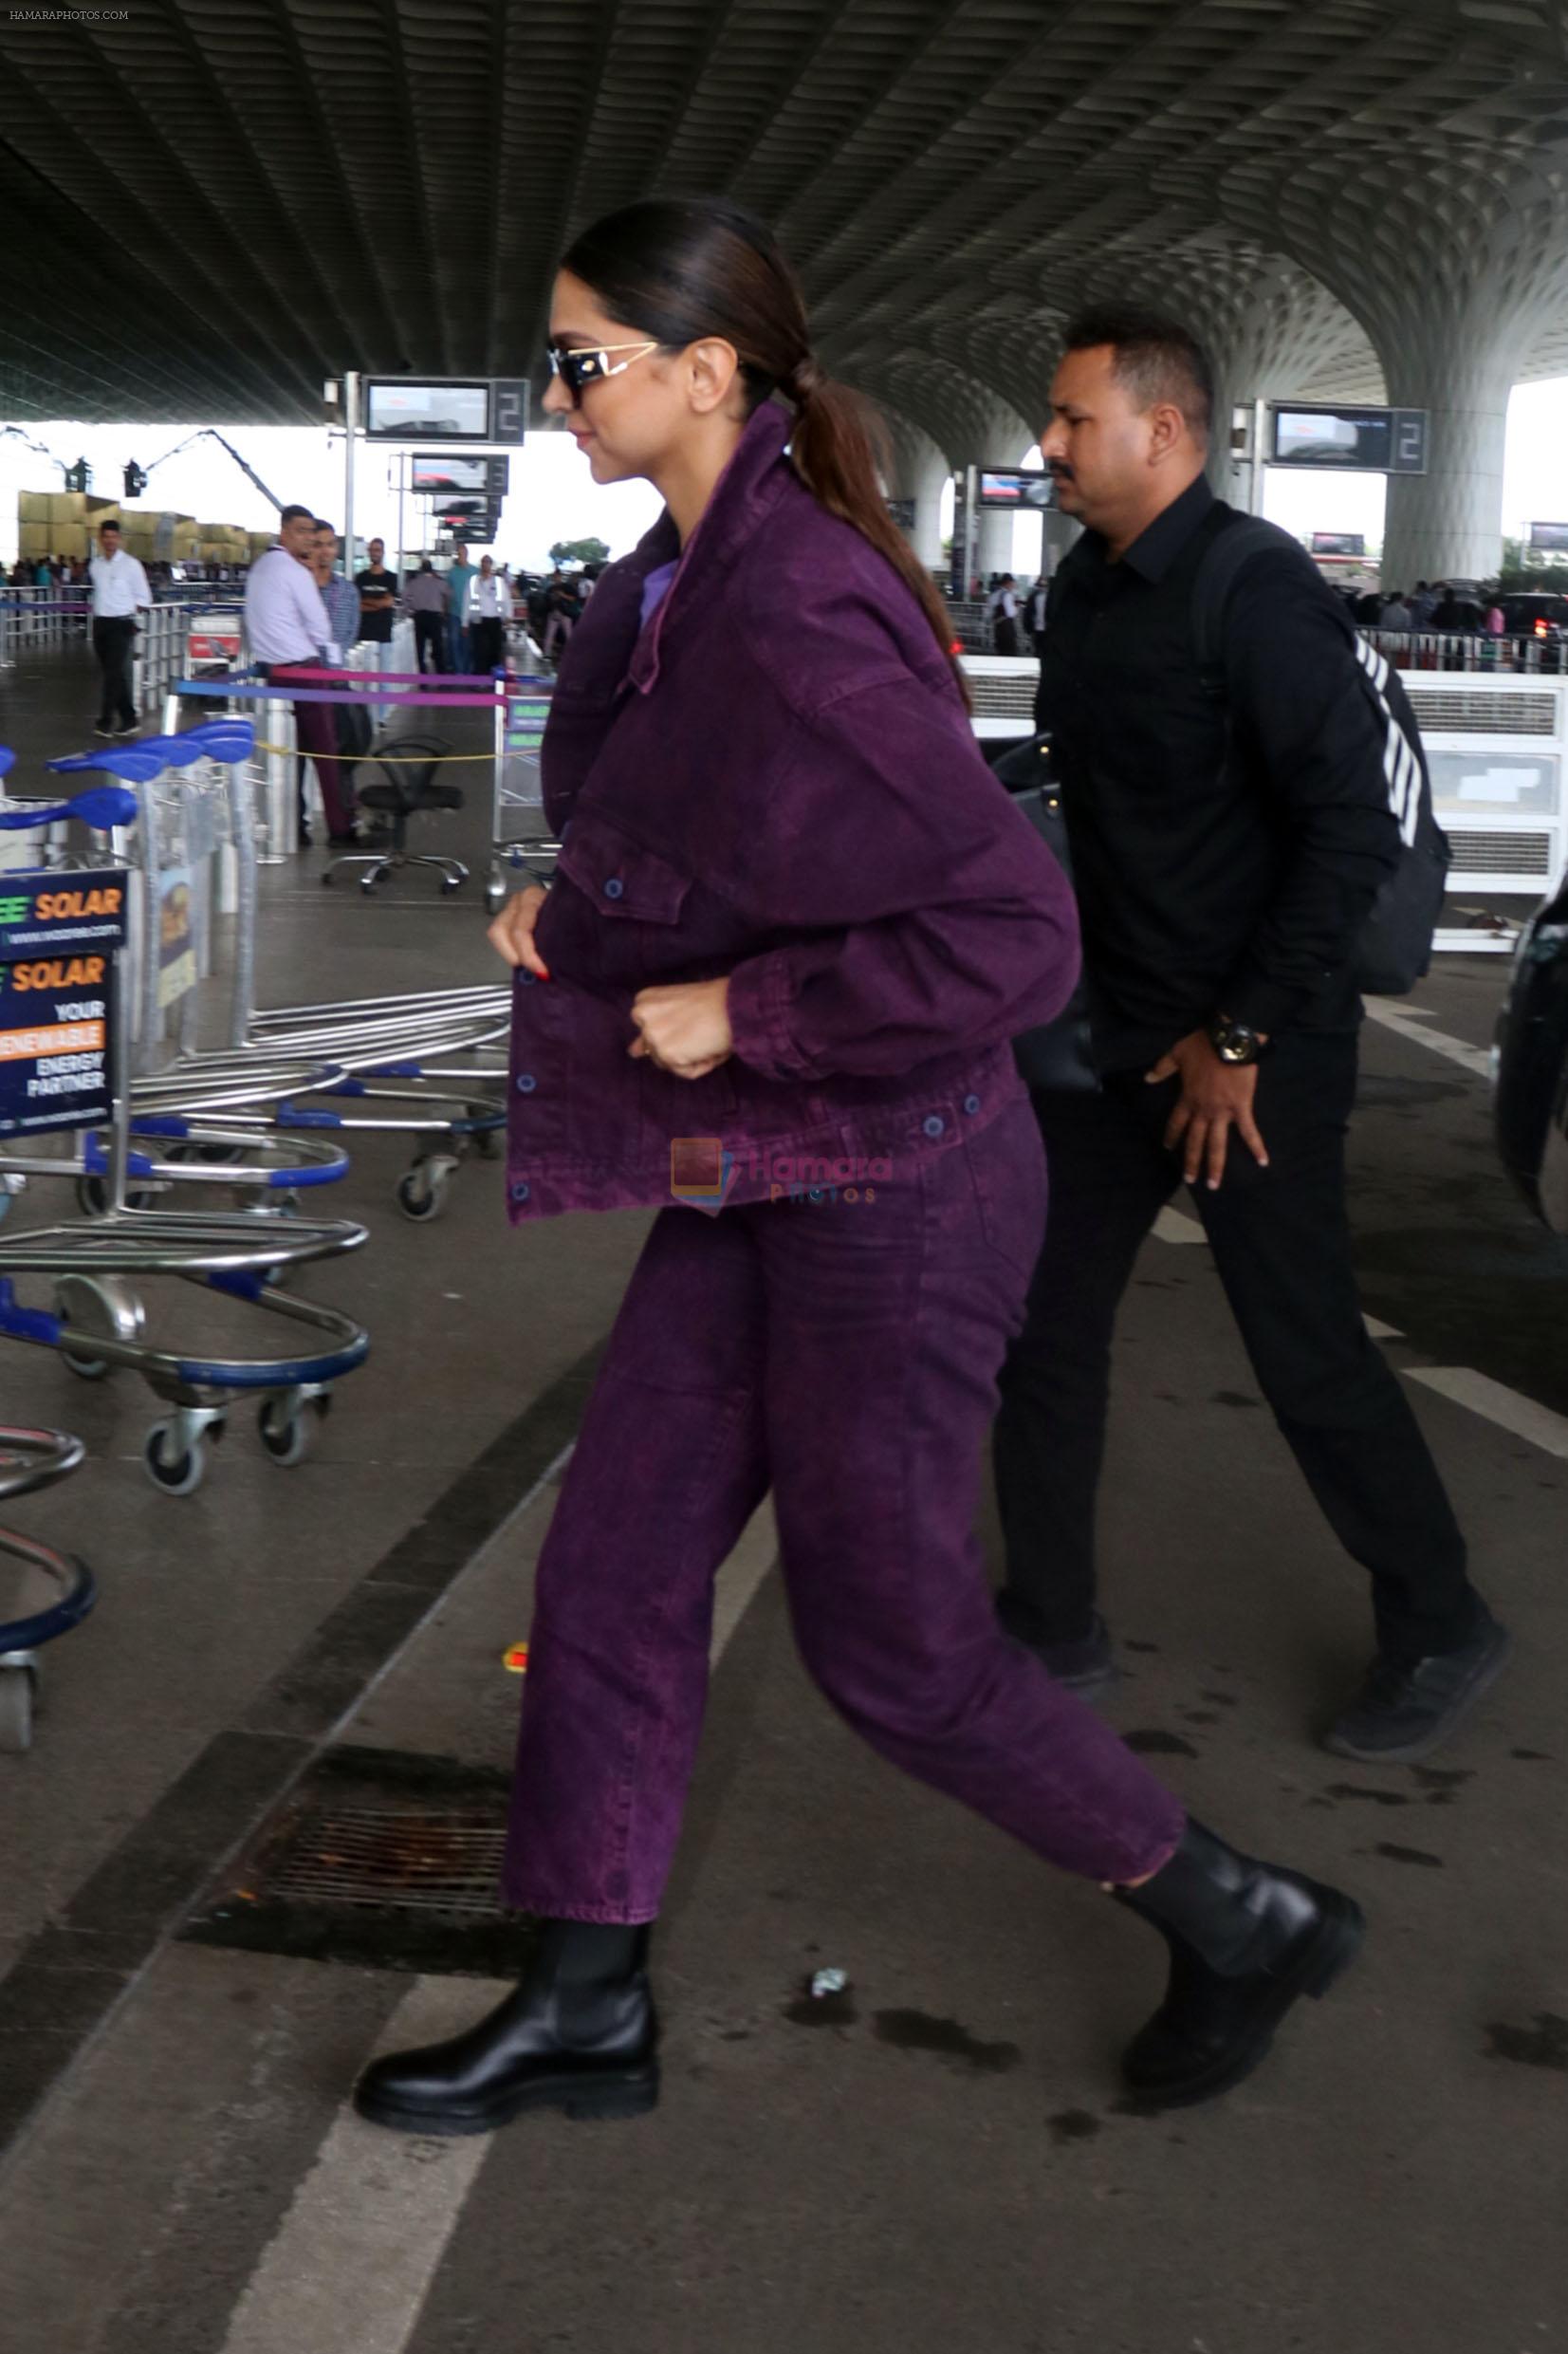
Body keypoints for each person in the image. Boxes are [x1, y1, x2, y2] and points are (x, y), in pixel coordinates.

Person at [354, 197, 1365, 2146]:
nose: (553, 391)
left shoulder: (793, 597)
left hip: (889, 1184)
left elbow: (1011, 937)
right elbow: (739, 847)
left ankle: (1235, 1914)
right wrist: (588, 913)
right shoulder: (678, 581)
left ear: (706, 369)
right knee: (613, 1568)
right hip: (769, 1170)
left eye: (581, 358)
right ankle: (580, 2001)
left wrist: (747, 1013)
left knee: (889, 1643)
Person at [991, 306, 1506, 1767]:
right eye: (1050, 417)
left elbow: (1346, 833)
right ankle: (1049, 1618)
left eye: (1073, 420)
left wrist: (1241, 1033)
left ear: (1166, 430)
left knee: (1304, 1350)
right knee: (1041, 1323)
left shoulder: (1256, 590)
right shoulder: (1087, 595)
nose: (1048, 445)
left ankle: (1438, 1615)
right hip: (1116, 1040)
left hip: (1256, 1050)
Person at [243, 503, 357, 843]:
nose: (308, 539)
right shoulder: (295, 572)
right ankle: (340, 827)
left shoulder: (260, 568)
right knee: (325, 753)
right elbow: (320, 627)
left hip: (272, 673)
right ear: (285, 532)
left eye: (312, 532)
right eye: (302, 532)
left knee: (287, 754)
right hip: (306, 672)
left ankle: (293, 824)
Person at [87, 518, 152, 737]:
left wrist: (128, 614)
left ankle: (104, 722)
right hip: (100, 624)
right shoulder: (95, 565)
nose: (110, 541)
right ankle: (130, 719)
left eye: (114, 537)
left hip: (121, 624)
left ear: (119, 539)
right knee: (113, 675)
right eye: (106, 537)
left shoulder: (131, 565)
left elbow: (145, 598)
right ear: (100, 539)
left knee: (112, 675)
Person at [312, 520, 362, 661]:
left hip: (335, 672)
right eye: (318, 545)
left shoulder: (348, 591)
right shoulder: (298, 587)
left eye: (330, 545)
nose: (325, 551)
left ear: (336, 548)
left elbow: (351, 632)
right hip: (302, 672)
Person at [402, 558, 450, 672]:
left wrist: (409, 609)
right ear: (432, 569)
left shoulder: (413, 582)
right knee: (438, 647)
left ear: (421, 569)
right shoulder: (439, 582)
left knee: (420, 649)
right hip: (435, 617)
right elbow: (448, 595)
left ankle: (423, 678)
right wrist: (444, 609)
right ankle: (441, 675)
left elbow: (405, 597)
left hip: (420, 617)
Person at [465, 551, 507, 671]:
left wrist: (507, 616)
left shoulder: (499, 582)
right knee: (479, 650)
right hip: (478, 620)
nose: (485, 565)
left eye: (488, 562)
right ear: (481, 564)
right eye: (483, 562)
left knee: (494, 650)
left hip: (494, 620)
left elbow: (506, 600)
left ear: (491, 565)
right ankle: (479, 680)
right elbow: (466, 602)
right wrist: (465, 622)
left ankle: (493, 678)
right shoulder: (473, 582)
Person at [354, 537, 398, 644]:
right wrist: (380, 604)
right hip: (363, 636)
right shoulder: (361, 577)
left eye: (377, 550)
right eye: (372, 550)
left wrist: (366, 600)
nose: (374, 553)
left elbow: (389, 602)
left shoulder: (391, 577)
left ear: (383, 552)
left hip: (384, 636)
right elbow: (356, 605)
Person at [446, 541, 477, 669]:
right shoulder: (452, 572)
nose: (460, 556)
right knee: (454, 641)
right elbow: (448, 592)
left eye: (462, 553)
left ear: (467, 554)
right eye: (459, 554)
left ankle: (466, 669)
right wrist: (446, 609)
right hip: (454, 612)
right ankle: (459, 669)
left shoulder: (475, 571)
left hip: (470, 614)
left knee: (467, 643)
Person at [987, 571, 1021, 655]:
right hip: (1007, 627)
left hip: (997, 627)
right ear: (1008, 583)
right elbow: (1010, 613)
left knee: (1000, 651)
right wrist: (1016, 607)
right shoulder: (1008, 595)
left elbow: (988, 612)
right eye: (1012, 583)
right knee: (1010, 652)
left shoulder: (993, 595)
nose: (1013, 585)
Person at [1025, 572, 1050, 657]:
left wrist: (1028, 628)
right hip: (1042, 628)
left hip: (1038, 628)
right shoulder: (1051, 597)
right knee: (1044, 651)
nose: (1042, 588)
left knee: (1039, 651)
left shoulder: (1033, 597)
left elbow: (1028, 613)